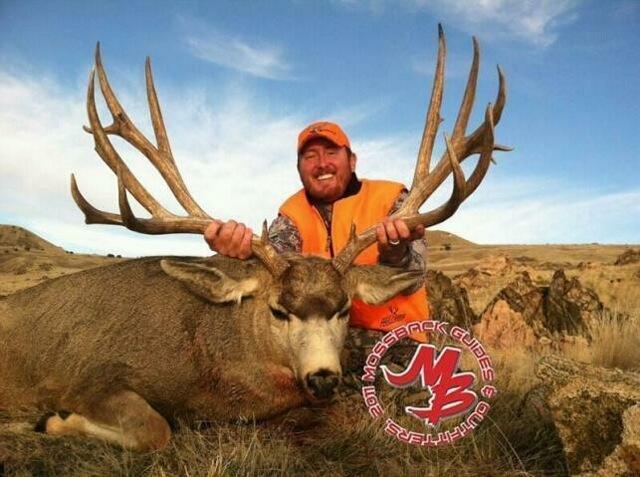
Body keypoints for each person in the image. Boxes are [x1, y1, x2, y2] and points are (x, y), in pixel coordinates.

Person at [204, 121, 429, 333]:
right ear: (299, 168)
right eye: (310, 156)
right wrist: (241, 253)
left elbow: (414, 280)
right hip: (315, 335)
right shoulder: (291, 215)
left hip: (395, 335)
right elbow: (276, 263)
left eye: (331, 153)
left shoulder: (392, 200)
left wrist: (396, 255)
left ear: (352, 160)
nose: (322, 163)